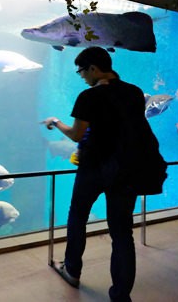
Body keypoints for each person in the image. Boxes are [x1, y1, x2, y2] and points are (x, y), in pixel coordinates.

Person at [41, 46, 144, 302]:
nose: (82, 77)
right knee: (122, 232)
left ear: (93, 69)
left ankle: (72, 270)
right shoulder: (134, 92)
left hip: (93, 167)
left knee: (78, 217)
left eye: (82, 72)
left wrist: (56, 123)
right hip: (125, 168)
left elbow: (77, 134)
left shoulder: (89, 96)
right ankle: (121, 295)